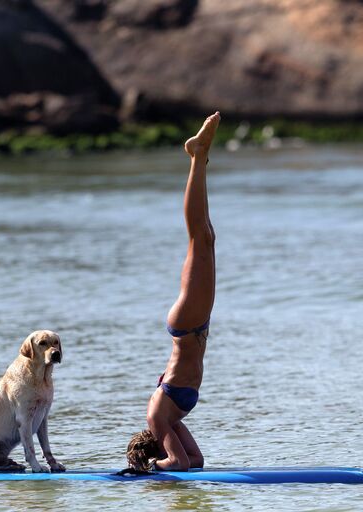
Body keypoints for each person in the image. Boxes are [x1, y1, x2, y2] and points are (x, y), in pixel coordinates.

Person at [126, 112, 220, 472]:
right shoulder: (171, 422)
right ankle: (200, 158)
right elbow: (193, 461)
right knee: (206, 236)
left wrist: (149, 470)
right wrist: (166, 465)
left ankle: (198, 155)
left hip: (188, 325)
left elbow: (177, 464)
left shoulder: (157, 420)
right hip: (195, 325)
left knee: (200, 237)